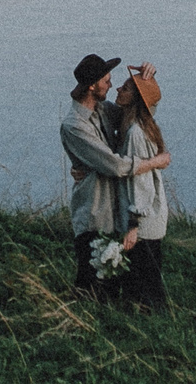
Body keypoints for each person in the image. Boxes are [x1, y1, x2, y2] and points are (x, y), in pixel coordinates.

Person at [61, 51, 168, 297]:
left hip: (115, 215)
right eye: (107, 81)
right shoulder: (74, 125)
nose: (112, 85)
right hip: (94, 214)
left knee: (116, 285)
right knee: (91, 286)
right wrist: (154, 161)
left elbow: (141, 112)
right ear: (91, 86)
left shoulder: (103, 110)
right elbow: (115, 166)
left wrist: (147, 81)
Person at [111, 63, 171, 310]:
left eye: (125, 88)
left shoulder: (135, 133)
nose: (118, 89)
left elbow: (140, 181)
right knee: (149, 281)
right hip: (152, 216)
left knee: (145, 287)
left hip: (143, 220)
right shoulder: (141, 124)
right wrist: (150, 76)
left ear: (134, 99)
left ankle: (155, 331)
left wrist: (133, 224)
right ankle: (156, 329)